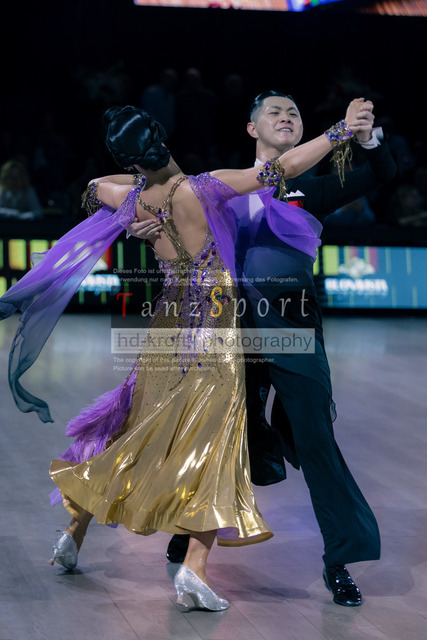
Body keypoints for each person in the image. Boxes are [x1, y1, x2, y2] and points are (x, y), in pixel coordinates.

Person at [0, 101, 367, 610]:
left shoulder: (130, 199)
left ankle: (73, 532)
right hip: (213, 330)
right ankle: (193, 569)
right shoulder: (204, 187)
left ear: (131, 160)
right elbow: (280, 169)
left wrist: (132, 202)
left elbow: (92, 186)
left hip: (166, 328)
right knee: (213, 443)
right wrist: (340, 130)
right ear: (162, 138)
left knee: (136, 428)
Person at [135, 92, 397, 608]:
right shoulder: (220, 187)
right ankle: (188, 532)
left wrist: (367, 138)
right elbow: (176, 236)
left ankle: (339, 560)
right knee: (215, 436)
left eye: (294, 112)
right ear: (252, 128)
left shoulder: (313, 187)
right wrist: (150, 233)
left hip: (294, 330)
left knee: (316, 439)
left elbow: (381, 172)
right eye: (274, 112)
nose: (287, 117)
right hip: (230, 330)